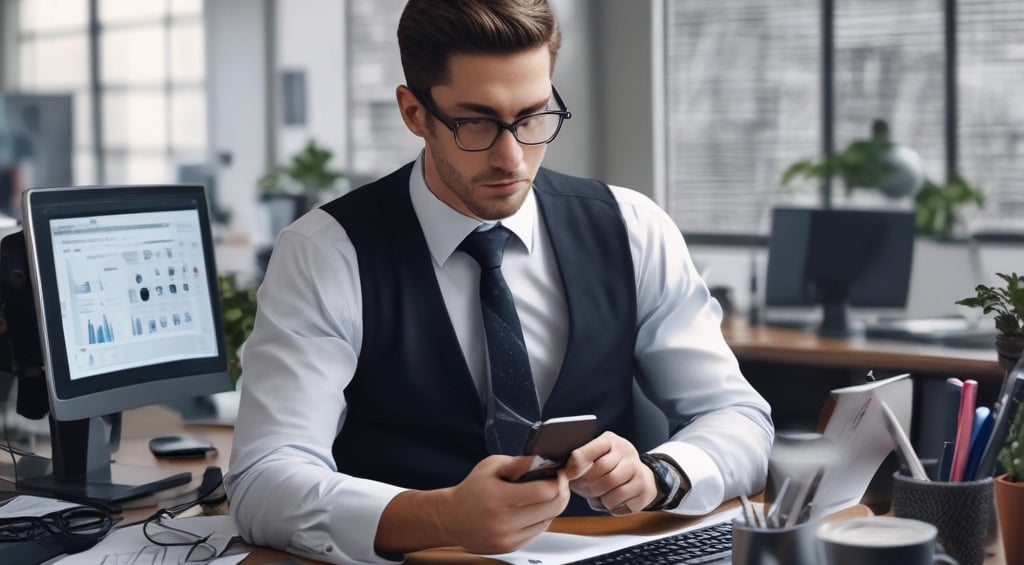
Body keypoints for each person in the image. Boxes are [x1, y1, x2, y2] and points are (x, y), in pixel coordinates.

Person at [225, 1, 774, 563]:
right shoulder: (326, 253)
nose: (511, 157)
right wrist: (440, 516)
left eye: (534, 117)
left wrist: (662, 475)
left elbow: (738, 418)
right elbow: (263, 479)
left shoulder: (632, 228)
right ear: (414, 113)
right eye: (476, 123)